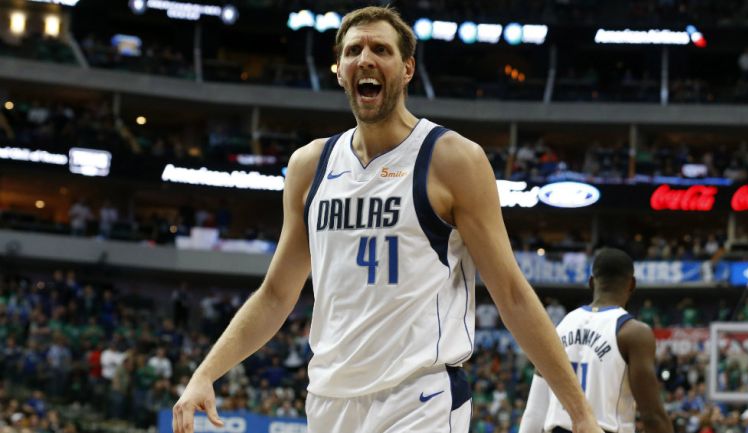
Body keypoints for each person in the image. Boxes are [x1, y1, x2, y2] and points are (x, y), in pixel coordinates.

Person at [173, 6, 602, 433]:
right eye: (354, 50)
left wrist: (580, 413)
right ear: (339, 70)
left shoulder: (452, 159)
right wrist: (205, 373)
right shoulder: (309, 166)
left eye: (381, 49)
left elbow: (510, 292)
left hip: (420, 397)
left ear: (407, 68)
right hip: (328, 400)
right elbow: (274, 296)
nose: (366, 59)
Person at [519, 248, 673, 433]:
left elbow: (535, 411)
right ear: (631, 284)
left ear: (591, 282)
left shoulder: (560, 326)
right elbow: (652, 416)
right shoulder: (634, 333)